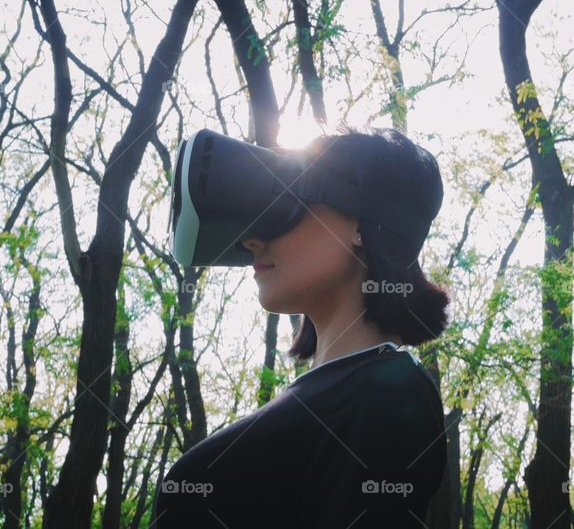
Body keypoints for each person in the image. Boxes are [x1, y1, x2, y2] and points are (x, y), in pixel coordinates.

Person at [153, 127, 450, 528]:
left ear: (362, 224)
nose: (252, 240)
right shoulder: (339, 396)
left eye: (288, 201)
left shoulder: (386, 397)